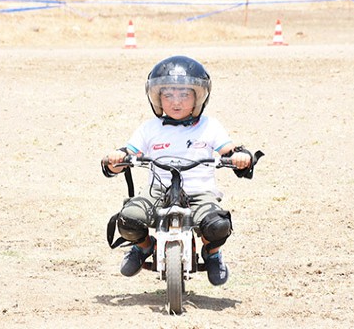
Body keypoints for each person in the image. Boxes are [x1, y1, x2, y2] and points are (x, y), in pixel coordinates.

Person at [101, 55, 259, 286]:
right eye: (168, 94)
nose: (176, 102)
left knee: (217, 224)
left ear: (199, 96)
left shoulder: (210, 126)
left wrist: (240, 157)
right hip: (157, 190)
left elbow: (229, 149)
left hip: (199, 190)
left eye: (185, 94)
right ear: (157, 97)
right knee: (128, 219)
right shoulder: (149, 128)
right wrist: (115, 160)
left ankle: (212, 253)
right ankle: (144, 247)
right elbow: (128, 152)